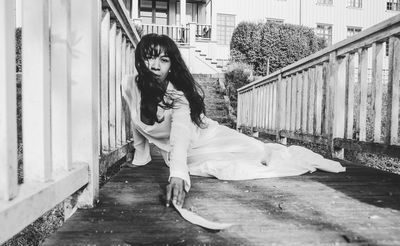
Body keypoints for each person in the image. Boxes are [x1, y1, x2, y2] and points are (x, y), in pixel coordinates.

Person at [122, 33, 345, 208]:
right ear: (140, 58)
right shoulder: (129, 84)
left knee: (261, 152)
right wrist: (141, 156)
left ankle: (286, 152)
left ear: (171, 66)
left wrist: (178, 175)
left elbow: (179, 137)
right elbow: (136, 122)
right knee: (223, 166)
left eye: (164, 60)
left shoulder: (178, 97)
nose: (154, 65)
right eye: (149, 57)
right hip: (191, 153)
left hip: (208, 137)